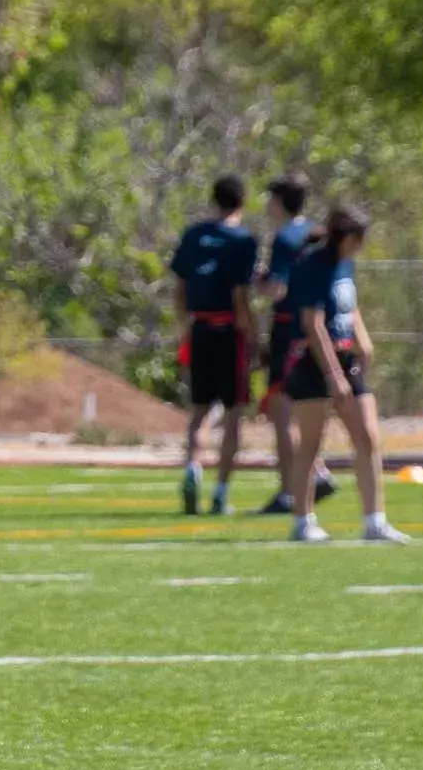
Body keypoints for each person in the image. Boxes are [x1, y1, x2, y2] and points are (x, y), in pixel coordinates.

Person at [285, 207, 409, 544]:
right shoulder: (312, 265)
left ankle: (375, 521)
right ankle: (303, 520)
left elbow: (350, 306)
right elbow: (312, 323)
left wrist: (362, 341)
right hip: (314, 361)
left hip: (345, 356)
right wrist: (333, 375)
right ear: (349, 237)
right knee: (311, 444)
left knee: (367, 437)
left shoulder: (346, 264)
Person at [167, 176, 259, 516]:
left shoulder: (193, 235)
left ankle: (192, 466)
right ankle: (220, 492)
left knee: (199, 408)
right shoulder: (242, 240)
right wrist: (251, 334)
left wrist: (184, 326)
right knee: (234, 412)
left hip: (199, 327)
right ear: (242, 201)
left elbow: (180, 285)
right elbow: (240, 295)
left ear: (213, 199)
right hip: (228, 331)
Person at [255, 176, 335, 514]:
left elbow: (279, 289)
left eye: (270, 199)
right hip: (318, 327)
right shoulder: (316, 232)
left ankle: (291, 488)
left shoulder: (285, 239)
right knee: (308, 406)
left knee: (282, 409)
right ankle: (318, 471)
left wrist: (258, 279)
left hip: (288, 329)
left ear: (279, 202)